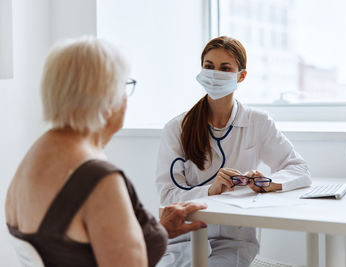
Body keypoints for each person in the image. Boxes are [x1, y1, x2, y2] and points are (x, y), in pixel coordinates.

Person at [5, 37, 207, 267]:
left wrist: (158, 231)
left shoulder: (35, 155)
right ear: (108, 97)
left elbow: (71, 249)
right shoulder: (97, 179)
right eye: (124, 86)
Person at [155, 36, 312, 267]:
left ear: (241, 76)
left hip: (233, 240)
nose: (215, 73)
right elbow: (167, 197)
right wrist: (210, 190)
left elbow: (299, 168)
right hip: (184, 239)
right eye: (209, 67)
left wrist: (270, 182)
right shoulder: (177, 128)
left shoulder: (257, 122)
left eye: (225, 68)